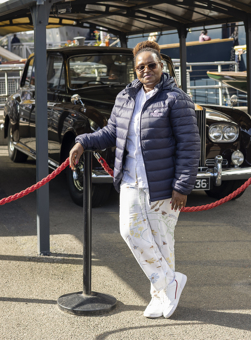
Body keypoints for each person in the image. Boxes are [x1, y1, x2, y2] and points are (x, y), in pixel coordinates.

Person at [69, 41, 200, 319]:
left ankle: (160, 296)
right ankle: (170, 281)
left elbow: (190, 145)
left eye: (152, 64)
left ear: (162, 66)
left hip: (163, 185)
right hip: (130, 181)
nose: (146, 70)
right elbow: (110, 133)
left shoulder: (176, 99)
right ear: (135, 70)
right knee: (130, 231)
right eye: (141, 66)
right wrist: (82, 142)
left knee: (163, 242)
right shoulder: (126, 97)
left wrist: (182, 186)